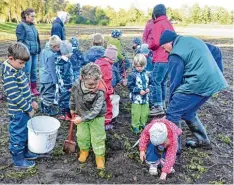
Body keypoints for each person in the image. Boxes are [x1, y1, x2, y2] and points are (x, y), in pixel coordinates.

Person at [159, 30, 228, 153]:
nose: (164, 51)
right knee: (188, 112)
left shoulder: (175, 55)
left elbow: (175, 83)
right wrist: (218, 73)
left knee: (173, 113)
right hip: (213, 83)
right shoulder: (193, 40)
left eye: (164, 47)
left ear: (169, 42)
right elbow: (216, 50)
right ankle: (203, 141)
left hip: (198, 83)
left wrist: (171, 107)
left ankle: (173, 149)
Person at [2, 43, 39, 168]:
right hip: (18, 111)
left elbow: (25, 88)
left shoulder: (17, 68)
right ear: (11, 58)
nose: (23, 66)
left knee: (26, 131)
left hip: (24, 108)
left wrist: (32, 99)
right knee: (18, 134)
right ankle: (18, 158)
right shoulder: (9, 74)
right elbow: (15, 96)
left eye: (24, 63)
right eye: (21, 63)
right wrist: (28, 108)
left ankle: (25, 152)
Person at [70, 63, 107, 169]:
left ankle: (99, 157)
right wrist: (72, 108)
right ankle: (84, 151)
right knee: (82, 135)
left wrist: (82, 118)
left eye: (95, 84)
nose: (93, 87)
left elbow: (96, 110)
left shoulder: (100, 91)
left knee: (98, 137)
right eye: (90, 85)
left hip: (97, 117)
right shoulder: (76, 85)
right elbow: (73, 97)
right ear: (82, 78)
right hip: (81, 114)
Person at [148, 4, 175, 116]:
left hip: (160, 57)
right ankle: (163, 103)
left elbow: (155, 42)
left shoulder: (157, 25)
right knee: (163, 82)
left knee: (155, 81)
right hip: (169, 57)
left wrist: (148, 46)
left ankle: (157, 105)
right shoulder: (168, 24)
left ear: (154, 14)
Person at [16, 8, 41, 96]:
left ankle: (33, 88)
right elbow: (20, 41)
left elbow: (37, 40)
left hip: (34, 53)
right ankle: (26, 89)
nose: (34, 18)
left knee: (34, 71)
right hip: (27, 54)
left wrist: (39, 49)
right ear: (26, 16)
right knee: (27, 72)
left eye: (34, 16)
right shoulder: (21, 26)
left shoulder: (33, 26)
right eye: (32, 16)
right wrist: (24, 53)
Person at [95, 45, 118, 130]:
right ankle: (106, 123)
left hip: (95, 89)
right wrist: (110, 91)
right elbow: (106, 82)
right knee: (107, 106)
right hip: (103, 91)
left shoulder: (98, 62)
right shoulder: (107, 67)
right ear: (113, 58)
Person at [127, 54, 150, 134]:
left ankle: (142, 124)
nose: (139, 68)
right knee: (136, 113)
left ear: (144, 65)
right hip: (136, 98)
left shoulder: (147, 74)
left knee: (145, 113)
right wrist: (138, 90)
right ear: (134, 65)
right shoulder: (132, 75)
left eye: (141, 66)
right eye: (137, 66)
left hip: (145, 98)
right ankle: (135, 127)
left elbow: (151, 84)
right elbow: (130, 86)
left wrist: (148, 89)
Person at [39, 35, 62, 115]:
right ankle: (48, 110)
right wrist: (55, 81)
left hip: (42, 76)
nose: (59, 49)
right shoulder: (51, 55)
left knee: (43, 92)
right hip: (49, 78)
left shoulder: (44, 51)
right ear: (54, 46)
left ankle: (42, 107)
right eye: (58, 47)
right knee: (49, 94)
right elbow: (52, 69)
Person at [55, 40, 74, 121]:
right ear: (68, 52)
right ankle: (67, 115)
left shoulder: (57, 60)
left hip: (60, 84)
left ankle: (63, 114)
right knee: (67, 100)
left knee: (61, 99)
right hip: (66, 86)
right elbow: (68, 76)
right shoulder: (66, 63)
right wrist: (70, 86)